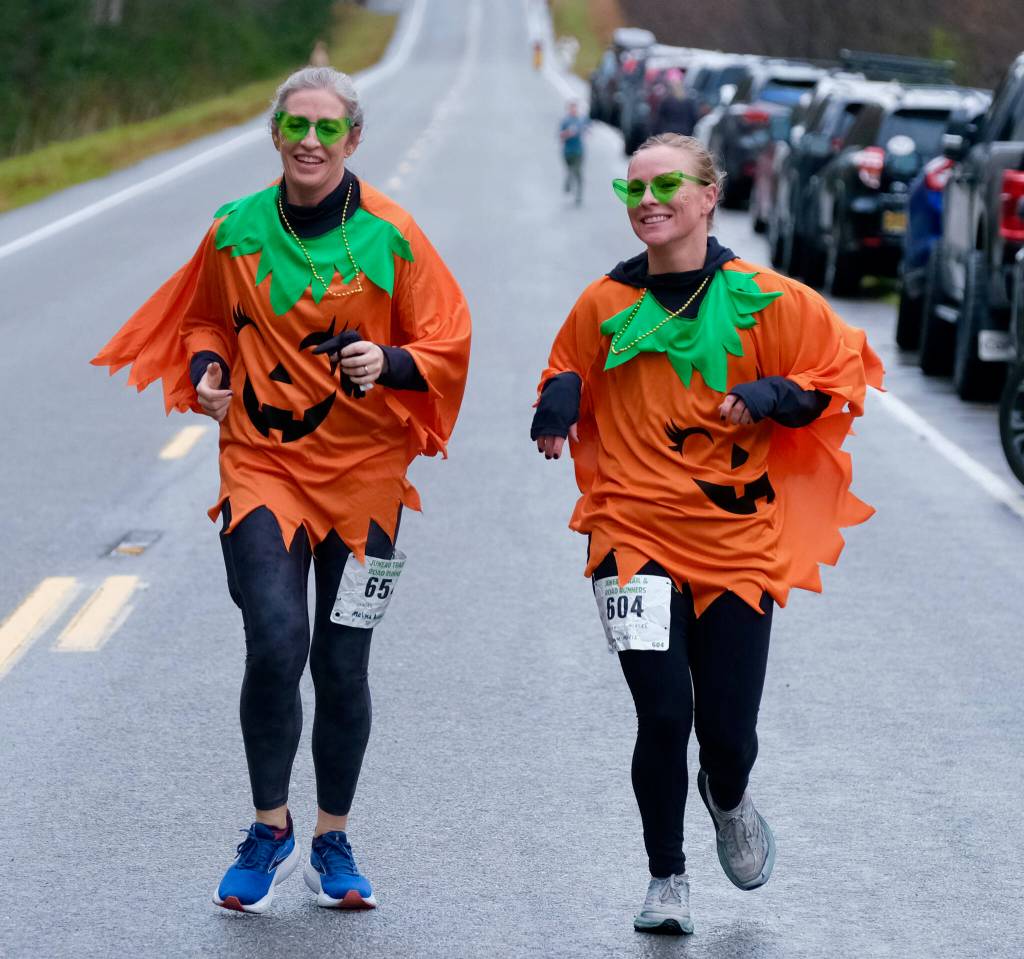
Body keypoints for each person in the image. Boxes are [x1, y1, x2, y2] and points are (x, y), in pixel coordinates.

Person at [93, 66, 471, 914]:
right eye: (295, 125)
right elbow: (203, 319)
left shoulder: (394, 235)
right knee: (275, 640)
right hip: (263, 462)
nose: (309, 140)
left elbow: (447, 337)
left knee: (342, 664)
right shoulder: (235, 229)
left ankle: (331, 837)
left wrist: (392, 361)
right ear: (274, 133)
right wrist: (207, 367)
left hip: (368, 479)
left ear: (352, 139)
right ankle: (270, 826)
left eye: (326, 129)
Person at [530, 133, 882, 935]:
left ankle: (728, 796)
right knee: (661, 714)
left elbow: (839, 376)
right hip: (630, 534)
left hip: (734, 545)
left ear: (709, 193)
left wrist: (769, 392)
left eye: (666, 185)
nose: (648, 200)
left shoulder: (769, 299)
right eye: (634, 189)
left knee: (726, 733)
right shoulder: (602, 303)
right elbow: (567, 364)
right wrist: (556, 403)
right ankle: (666, 877)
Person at [652, 69, 698, 137]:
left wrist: (656, 134)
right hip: (685, 132)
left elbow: (659, 121)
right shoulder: (689, 102)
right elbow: (693, 119)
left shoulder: (666, 101)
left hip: (668, 132)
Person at [559, 100, 588, 206]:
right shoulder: (565, 121)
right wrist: (568, 133)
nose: (574, 110)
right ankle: (568, 181)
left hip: (579, 151)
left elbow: (588, 128)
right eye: (572, 108)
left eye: (575, 108)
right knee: (570, 169)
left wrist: (586, 131)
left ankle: (579, 195)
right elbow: (561, 136)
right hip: (567, 151)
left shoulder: (581, 120)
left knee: (577, 171)